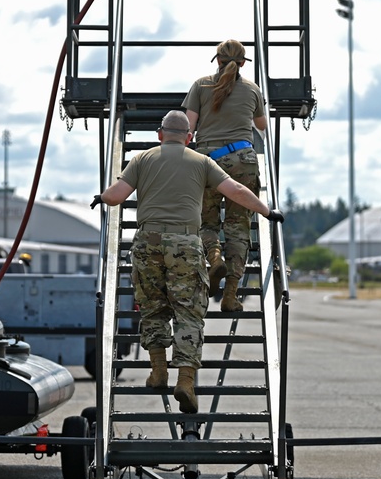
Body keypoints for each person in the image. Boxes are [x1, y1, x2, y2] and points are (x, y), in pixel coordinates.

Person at [92, 110, 277, 413]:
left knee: (152, 307)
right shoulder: (202, 162)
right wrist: (267, 211)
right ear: (190, 137)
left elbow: (117, 196)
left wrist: (101, 197)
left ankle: (158, 371)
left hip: (146, 243)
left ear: (160, 134)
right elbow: (236, 190)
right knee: (189, 313)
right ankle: (185, 381)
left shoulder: (143, 158)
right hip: (186, 245)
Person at [182, 39, 268, 312]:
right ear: (243, 63)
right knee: (238, 229)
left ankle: (214, 257)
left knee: (205, 223)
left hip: (208, 161)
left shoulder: (201, 85)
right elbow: (262, 126)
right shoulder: (253, 89)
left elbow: (188, 128)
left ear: (216, 60)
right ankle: (231, 296)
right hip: (243, 160)